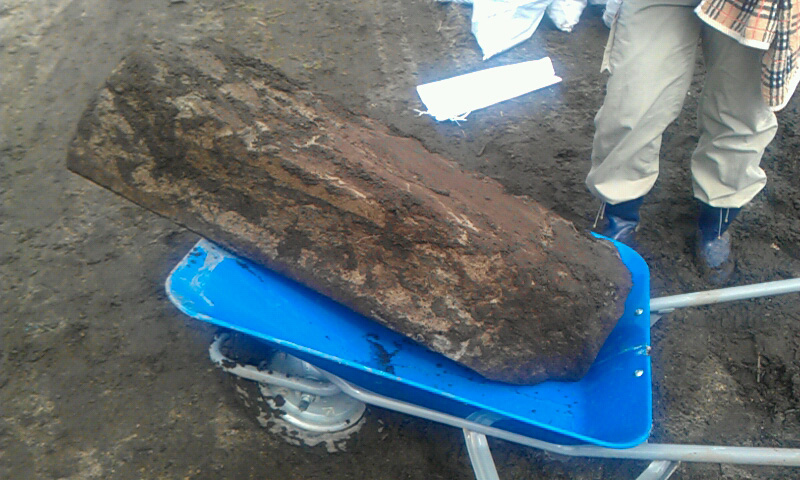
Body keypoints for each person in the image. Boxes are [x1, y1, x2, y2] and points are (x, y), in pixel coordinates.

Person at [587, 0, 799, 283]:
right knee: (631, 104)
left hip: (753, 5)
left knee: (741, 113)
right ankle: (619, 218)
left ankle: (716, 223)